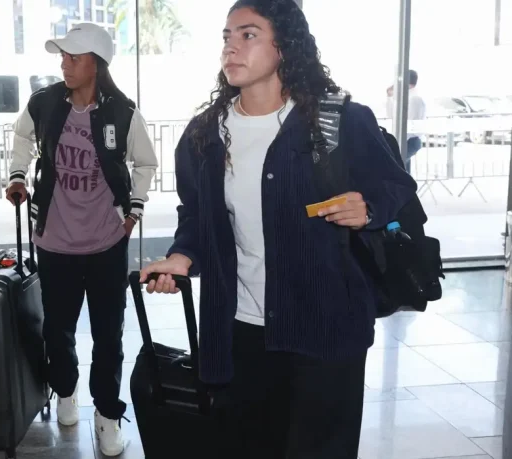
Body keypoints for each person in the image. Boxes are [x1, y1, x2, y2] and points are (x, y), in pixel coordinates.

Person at [138, 1, 417, 457]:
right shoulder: (205, 136)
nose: (231, 47)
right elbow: (199, 217)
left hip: (327, 325)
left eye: (248, 35)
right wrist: (183, 256)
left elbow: (396, 186)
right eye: (227, 37)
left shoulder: (339, 121)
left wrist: (368, 209)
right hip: (244, 328)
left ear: (284, 46)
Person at [5, 23, 158, 457]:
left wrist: (133, 211)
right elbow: (20, 139)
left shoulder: (123, 113)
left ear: (96, 63)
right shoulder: (44, 104)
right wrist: (18, 177)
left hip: (108, 243)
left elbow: (145, 163)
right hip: (54, 242)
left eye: (73, 57)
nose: (64, 63)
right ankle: (66, 391)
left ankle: (108, 415)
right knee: (58, 329)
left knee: (109, 334)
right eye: (63, 56)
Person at [387, 69, 427, 173]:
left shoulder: (414, 99)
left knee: (396, 166)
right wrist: (389, 97)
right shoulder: (407, 98)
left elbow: (409, 125)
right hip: (406, 140)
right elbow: (391, 115)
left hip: (409, 141)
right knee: (403, 171)